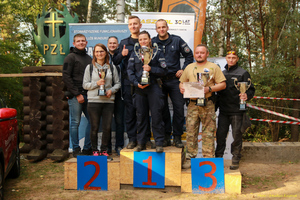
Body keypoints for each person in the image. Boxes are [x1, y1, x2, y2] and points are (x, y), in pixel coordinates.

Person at [179, 44, 226, 168]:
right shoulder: (189, 67)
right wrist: (182, 89)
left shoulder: (213, 67)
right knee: (190, 132)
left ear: (207, 54)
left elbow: (222, 85)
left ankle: (208, 158)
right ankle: (189, 157)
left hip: (208, 103)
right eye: (197, 52)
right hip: (193, 104)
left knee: (208, 133)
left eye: (202, 52)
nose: (199, 55)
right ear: (195, 54)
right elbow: (182, 83)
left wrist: (209, 88)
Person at [152, 19, 193, 148]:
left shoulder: (177, 40)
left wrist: (183, 69)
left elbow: (189, 55)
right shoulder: (152, 42)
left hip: (175, 80)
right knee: (162, 109)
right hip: (159, 80)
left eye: (164, 27)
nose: (162, 29)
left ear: (167, 27)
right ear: (156, 29)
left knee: (179, 109)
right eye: (159, 27)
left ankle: (177, 137)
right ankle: (165, 136)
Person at [113, 16, 152, 149]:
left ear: (140, 25)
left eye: (136, 24)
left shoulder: (147, 42)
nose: (133, 26)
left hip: (146, 82)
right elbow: (115, 61)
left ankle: (146, 139)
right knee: (130, 113)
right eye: (131, 24)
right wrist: (122, 54)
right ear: (128, 26)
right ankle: (132, 139)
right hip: (128, 83)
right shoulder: (124, 42)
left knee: (145, 112)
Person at [127, 31, 167, 152]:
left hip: (154, 87)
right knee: (141, 116)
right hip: (139, 88)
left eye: (145, 39)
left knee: (156, 115)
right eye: (140, 40)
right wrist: (136, 83)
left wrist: (151, 69)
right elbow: (130, 71)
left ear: (150, 39)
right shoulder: (135, 54)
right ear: (138, 42)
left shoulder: (157, 53)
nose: (143, 41)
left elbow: (164, 70)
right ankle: (141, 142)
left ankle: (159, 142)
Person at [215, 50, 255, 170]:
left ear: (237, 59)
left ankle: (236, 158)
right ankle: (218, 158)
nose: (231, 59)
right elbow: (218, 93)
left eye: (233, 57)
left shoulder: (243, 73)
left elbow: (251, 89)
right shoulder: (221, 73)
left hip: (237, 111)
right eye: (229, 57)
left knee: (237, 135)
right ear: (226, 59)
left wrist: (246, 95)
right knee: (220, 135)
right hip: (223, 111)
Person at [82, 43, 120, 160]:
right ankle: (94, 151)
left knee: (107, 127)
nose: (99, 53)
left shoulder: (112, 68)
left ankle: (104, 151)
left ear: (106, 53)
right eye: (97, 51)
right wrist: (96, 84)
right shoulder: (90, 68)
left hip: (108, 101)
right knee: (94, 127)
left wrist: (111, 91)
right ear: (94, 53)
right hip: (93, 101)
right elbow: (85, 85)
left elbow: (118, 84)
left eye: (102, 51)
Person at [63, 34, 92, 158]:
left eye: (82, 41)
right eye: (78, 41)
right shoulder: (70, 57)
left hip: (88, 94)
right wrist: (77, 94)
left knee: (93, 121)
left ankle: (86, 148)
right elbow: (66, 77)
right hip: (76, 96)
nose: (81, 43)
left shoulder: (89, 58)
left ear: (86, 42)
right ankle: (76, 149)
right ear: (74, 43)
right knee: (75, 122)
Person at [107, 36, 125, 155]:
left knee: (119, 121)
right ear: (107, 44)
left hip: (120, 94)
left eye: (114, 43)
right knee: (107, 122)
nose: (112, 45)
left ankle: (119, 146)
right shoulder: (103, 55)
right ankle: (107, 147)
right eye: (110, 43)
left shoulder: (123, 55)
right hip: (106, 94)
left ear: (118, 44)